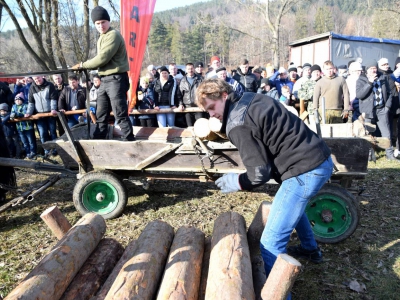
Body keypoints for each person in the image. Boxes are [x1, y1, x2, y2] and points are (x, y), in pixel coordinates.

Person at [195, 79, 333, 293]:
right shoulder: (250, 97)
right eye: (207, 111)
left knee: (270, 244)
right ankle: (310, 250)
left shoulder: (236, 124)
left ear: (223, 95)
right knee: (293, 205)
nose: (211, 114)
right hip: (319, 157)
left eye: (212, 108)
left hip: (305, 170)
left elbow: (259, 173)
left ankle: (277, 295)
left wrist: (237, 182)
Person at [72, 6, 135, 141]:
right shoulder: (102, 37)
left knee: (120, 113)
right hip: (105, 80)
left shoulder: (113, 35)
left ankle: (129, 140)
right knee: (101, 114)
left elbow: (102, 58)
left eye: (103, 22)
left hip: (116, 79)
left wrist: (83, 65)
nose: (101, 26)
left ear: (108, 21)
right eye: (97, 23)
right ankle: (98, 142)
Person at [356, 59, 396, 160]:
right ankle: (369, 155)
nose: (373, 71)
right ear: (366, 70)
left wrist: (387, 107)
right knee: (368, 133)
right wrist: (369, 82)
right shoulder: (361, 80)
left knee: (386, 133)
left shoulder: (383, 77)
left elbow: (390, 93)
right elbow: (360, 95)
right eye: (371, 69)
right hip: (368, 111)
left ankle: (390, 155)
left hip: (382, 109)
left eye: (374, 68)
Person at [26, 75, 58, 156]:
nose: (37, 80)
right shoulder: (32, 88)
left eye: (38, 78)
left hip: (50, 113)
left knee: (53, 132)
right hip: (39, 115)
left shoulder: (49, 85)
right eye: (35, 79)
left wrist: (53, 109)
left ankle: (55, 149)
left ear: (42, 77)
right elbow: (31, 102)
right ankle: (46, 151)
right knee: (43, 133)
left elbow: (53, 98)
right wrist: (29, 112)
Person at [10, 93, 37, 159]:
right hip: (19, 127)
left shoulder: (26, 105)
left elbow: (25, 113)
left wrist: (17, 114)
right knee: (24, 141)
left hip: (28, 127)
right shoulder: (14, 107)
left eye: (19, 100)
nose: (17, 101)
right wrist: (12, 116)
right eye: (16, 100)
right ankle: (27, 153)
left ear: (22, 100)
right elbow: (12, 114)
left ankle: (33, 152)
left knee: (31, 141)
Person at [178, 63, 204, 127]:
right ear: (186, 70)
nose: (190, 70)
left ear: (194, 69)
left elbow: (204, 92)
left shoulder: (200, 79)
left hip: (198, 106)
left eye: (192, 68)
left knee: (200, 126)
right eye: (188, 69)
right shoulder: (182, 81)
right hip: (187, 107)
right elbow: (179, 94)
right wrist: (180, 104)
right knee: (190, 127)